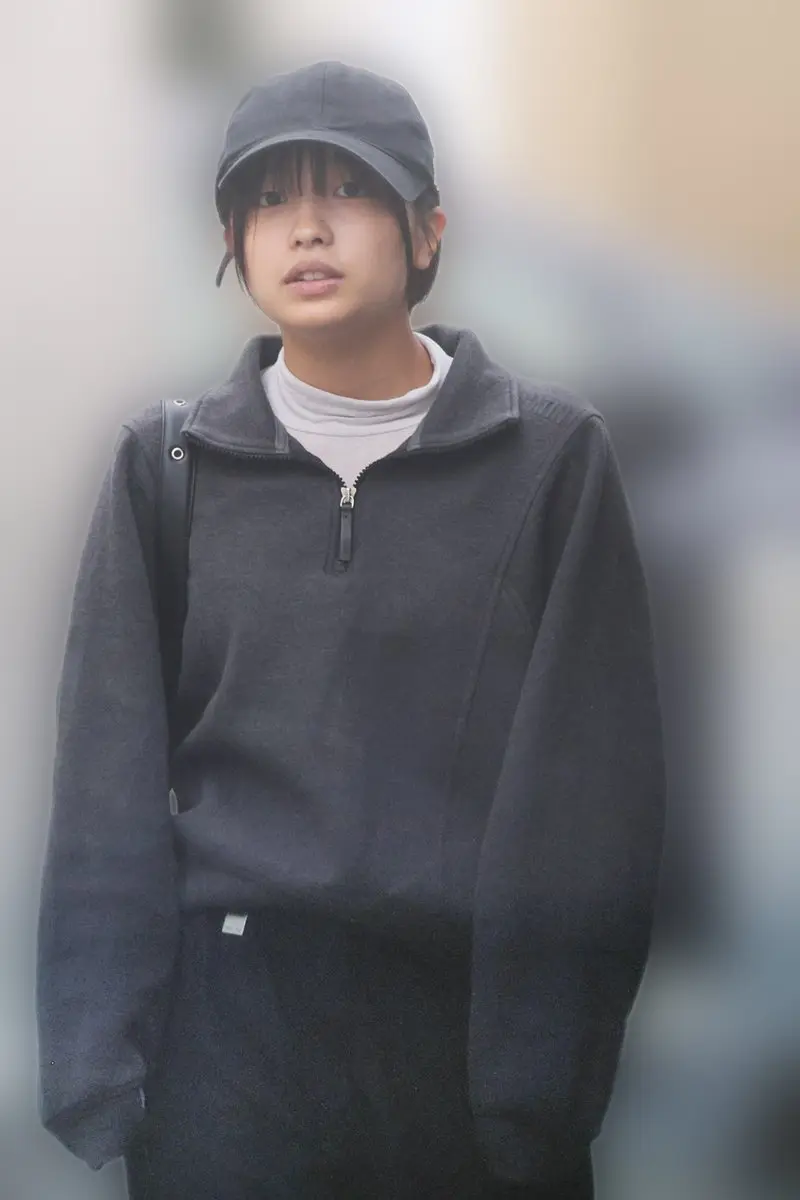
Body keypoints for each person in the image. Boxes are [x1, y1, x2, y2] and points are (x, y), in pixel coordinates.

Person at [36, 61, 665, 1200]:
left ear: (428, 230)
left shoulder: (549, 461)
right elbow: (104, 780)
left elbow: (591, 800)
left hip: (461, 1048)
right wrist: (100, 1064)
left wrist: (537, 1088)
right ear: (233, 240)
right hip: (227, 1050)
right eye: (269, 198)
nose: (307, 227)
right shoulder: (167, 465)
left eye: (349, 190)